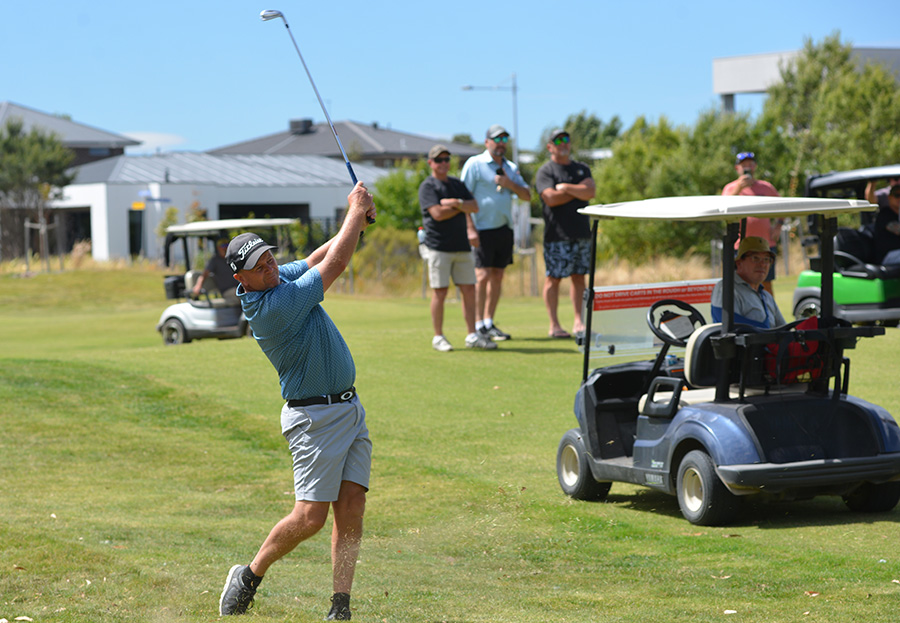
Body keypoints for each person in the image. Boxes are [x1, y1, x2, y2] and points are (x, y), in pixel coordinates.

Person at [218, 182, 377, 620]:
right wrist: (355, 211)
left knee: (352, 506)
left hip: (348, 409)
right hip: (314, 419)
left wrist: (356, 223)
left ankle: (340, 605)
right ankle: (249, 575)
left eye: (269, 258)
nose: (270, 267)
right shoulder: (271, 308)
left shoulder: (275, 277)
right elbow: (336, 263)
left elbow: (316, 257)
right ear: (241, 279)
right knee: (310, 518)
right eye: (259, 266)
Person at [418, 145, 496, 351]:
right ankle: (438, 337)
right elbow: (437, 214)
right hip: (438, 247)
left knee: (469, 290)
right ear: (431, 163)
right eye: (439, 160)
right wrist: (460, 207)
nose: (443, 163)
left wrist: (453, 203)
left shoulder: (456, 184)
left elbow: (474, 206)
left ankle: (472, 335)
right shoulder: (428, 186)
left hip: (462, 246)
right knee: (440, 292)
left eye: (446, 159)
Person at [460, 124, 531, 341]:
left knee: (498, 276)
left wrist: (509, 184)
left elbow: (527, 195)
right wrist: (469, 228)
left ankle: (489, 322)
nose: (501, 143)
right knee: (482, 276)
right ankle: (478, 324)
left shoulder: (511, 167)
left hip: (504, 227)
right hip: (481, 228)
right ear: (487, 142)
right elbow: (463, 197)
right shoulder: (475, 164)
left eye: (504, 139)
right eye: (497, 139)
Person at [535, 129, 595, 339]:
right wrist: (577, 192)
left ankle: (579, 323)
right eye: (558, 140)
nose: (563, 143)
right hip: (557, 235)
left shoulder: (582, 168)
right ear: (549, 146)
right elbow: (551, 198)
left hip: (581, 233)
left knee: (579, 277)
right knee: (554, 278)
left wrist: (566, 188)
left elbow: (590, 192)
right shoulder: (546, 171)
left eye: (566, 139)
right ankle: (554, 325)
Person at [721, 151, 780, 294]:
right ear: (737, 168)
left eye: (750, 164)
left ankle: (767, 308)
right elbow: (723, 208)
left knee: (765, 284)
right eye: (744, 165)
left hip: (765, 244)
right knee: (738, 284)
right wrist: (739, 188)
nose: (748, 167)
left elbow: (783, 206)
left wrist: (778, 225)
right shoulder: (730, 188)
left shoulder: (766, 187)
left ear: (755, 166)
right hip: (739, 246)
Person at [711, 236, 786, 329]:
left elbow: (784, 329)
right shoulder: (726, 289)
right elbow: (730, 328)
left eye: (766, 259)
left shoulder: (766, 296)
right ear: (739, 263)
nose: (762, 264)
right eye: (755, 258)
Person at [192, 238, 239, 304]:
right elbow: (204, 274)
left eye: (227, 245)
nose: (225, 248)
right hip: (227, 291)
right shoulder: (215, 260)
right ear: (218, 248)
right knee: (240, 292)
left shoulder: (232, 258)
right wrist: (198, 286)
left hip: (237, 286)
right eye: (223, 246)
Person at [867, 183, 900, 265]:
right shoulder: (885, 214)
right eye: (897, 195)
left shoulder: (897, 215)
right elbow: (897, 229)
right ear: (889, 197)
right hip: (887, 257)